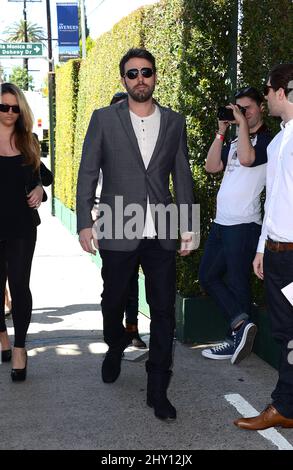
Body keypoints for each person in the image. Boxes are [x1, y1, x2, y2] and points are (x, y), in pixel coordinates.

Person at [77, 48, 195, 420]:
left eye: (146, 72)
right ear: (123, 79)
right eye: (132, 73)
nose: (139, 78)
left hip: (160, 228)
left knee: (163, 311)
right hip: (116, 223)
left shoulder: (175, 122)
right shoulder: (103, 119)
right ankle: (115, 344)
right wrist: (84, 222)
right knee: (113, 299)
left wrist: (188, 225)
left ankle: (157, 386)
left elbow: (182, 176)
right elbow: (87, 172)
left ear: (155, 76)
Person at [235, 63, 293, 430]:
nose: (266, 96)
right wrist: (261, 246)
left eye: (268, 91)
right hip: (275, 253)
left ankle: (284, 406)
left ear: (283, 92)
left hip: (291, 256)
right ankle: (285, 405)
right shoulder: (281, 138)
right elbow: (274, 201)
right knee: (284, 331)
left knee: (289, 332)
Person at [199, 87, 272, 364]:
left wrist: (240, 124)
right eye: (237, 109)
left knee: (237, 281)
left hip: (244, 224)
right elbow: (211, 166)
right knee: (208, 275)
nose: (242, 113)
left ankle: (236, 339)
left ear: (260, 108)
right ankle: (241, 326)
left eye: (247, 109)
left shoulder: (267, 141)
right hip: (221, 223)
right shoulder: (233, 139)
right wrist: (221, 131)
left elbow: (247, 159)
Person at [93, 91, 147, 349]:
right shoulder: (102, 137)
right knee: (113, 284)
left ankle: (132, 329)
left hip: (139, 219)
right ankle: (113, 336)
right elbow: (91, 179)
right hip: (109, 219)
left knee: (133, 282)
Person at [0, 82, 45, 380]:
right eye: (4, 107)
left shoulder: (28, 140)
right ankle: (2, 335)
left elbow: (43, 176)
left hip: (22, 227)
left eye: (15, 108)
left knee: (19, 285)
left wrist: (40, 188)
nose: (10, 113)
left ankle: (19, 348)